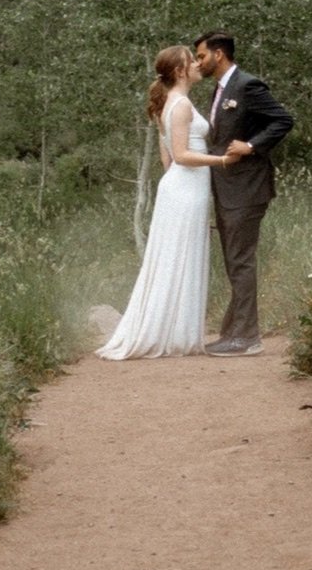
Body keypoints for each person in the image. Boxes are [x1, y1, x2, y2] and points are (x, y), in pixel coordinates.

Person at [97, 45, 245, 360]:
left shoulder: (173, 104)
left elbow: (167, 161)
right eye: (191, 61)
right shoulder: (180, 106)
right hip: (185, 187)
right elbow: (179, 156)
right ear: (180, 71)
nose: (196, 64)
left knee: (179, 255)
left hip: (182, 188)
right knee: (178, 256)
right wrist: (222, 161)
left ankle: (176, 330)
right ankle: (171, 332)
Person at [193, 30, 295, 356]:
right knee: (234, 261)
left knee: (241, 261)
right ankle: (233, 331)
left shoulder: (247, 85)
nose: (199, 62)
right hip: (227, 189)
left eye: (201, 56)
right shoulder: (221, 90)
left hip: (248, 188)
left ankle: (248, 337)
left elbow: (282, 120)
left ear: (219, 54)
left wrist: (251, 146)